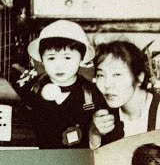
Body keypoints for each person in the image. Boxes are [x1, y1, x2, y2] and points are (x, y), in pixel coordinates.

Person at [14, 20, 105, 148]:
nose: (59, 66)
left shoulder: (91, 94)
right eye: (51, 58)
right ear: (42, 60)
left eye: (67, 57)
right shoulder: (32, 89)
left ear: (81, 59)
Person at [89, 40, 160, 148]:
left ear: (140, 77)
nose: (107, 84)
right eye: (101, 75)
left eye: (117, 74)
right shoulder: (100, 116)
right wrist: (94, 135)